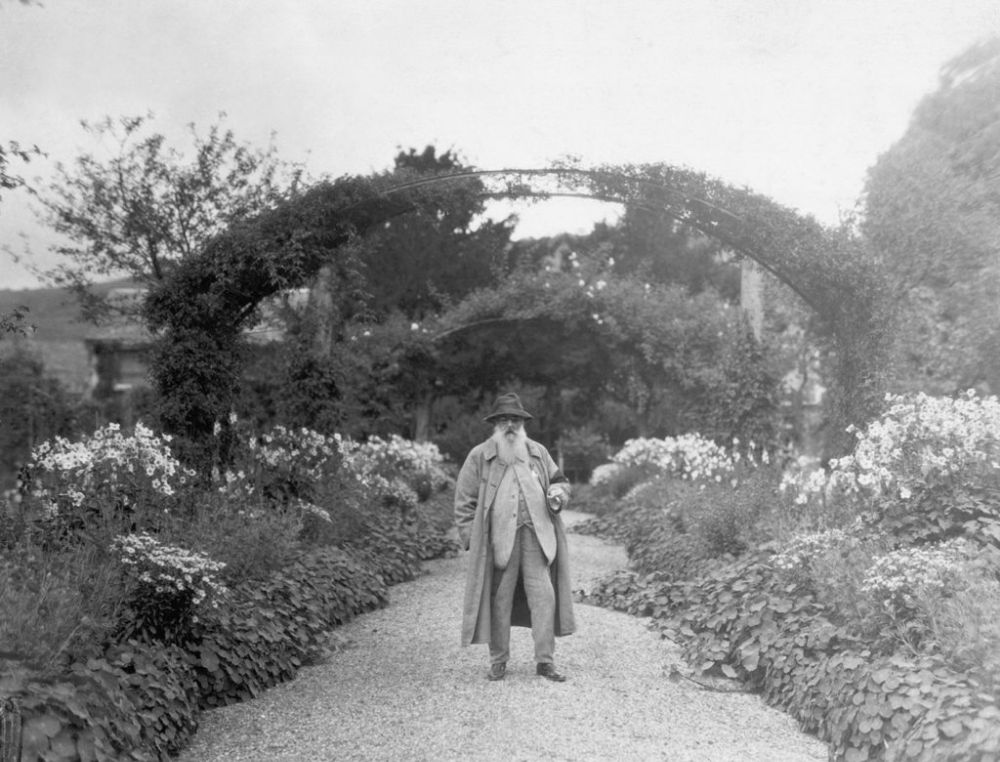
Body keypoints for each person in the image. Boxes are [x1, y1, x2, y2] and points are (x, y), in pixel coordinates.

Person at [454, 392, 576, 682]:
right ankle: (498, 661)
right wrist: (472, 539)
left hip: (537, 538)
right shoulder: (480, 456)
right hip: (499, 541)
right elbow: (464, 500)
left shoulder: (537, 452)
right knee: (499, 600)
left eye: (515, 420)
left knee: (545, 598)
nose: (510, 425)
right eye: (504, 420)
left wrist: (559, 494)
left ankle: (545, 662)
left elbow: (560, 481)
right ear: (495, 424)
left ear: (523, 423)